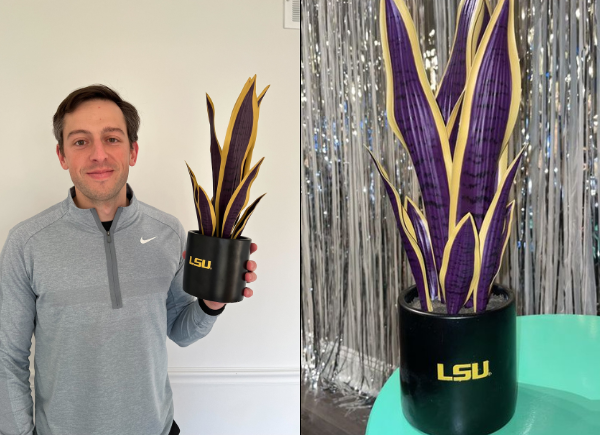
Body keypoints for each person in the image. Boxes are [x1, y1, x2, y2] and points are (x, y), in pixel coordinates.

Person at [0, 85, 258, 435]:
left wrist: (211, 304)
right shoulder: (26, 243)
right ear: (62, 156)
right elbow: (7, 358)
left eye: (112, 139)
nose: (98, 155)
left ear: (133, 151)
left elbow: (180, 330)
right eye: (80, 141)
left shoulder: (168, 231)